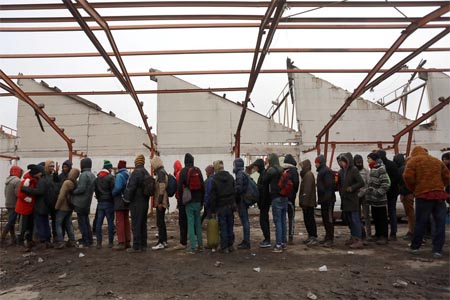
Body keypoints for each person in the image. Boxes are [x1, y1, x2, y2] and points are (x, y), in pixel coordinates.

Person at [404, 146, 450, 259]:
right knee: (440, 223)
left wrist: (414, 188)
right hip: (439, 195)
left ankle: (415, 247)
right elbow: (447, 176)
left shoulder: (413, 161)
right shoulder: (436, 161)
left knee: (421, 222)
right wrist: (440, 186)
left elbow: (407, 176)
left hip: (423, 195)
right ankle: (437, 250)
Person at [177, 153, 204, 254]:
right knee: (198, 223)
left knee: (190, 224)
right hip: (198, 201)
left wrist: (181, 200)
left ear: (185, 161)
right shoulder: (198, 170)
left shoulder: (183, 171)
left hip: (189, 202)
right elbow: (202, 186)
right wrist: (202, 202)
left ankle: (193, 247)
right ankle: (200, 245)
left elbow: (179, 187)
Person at [21, 162, 52, 249]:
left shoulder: (42, 181)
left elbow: (39, 191)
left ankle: (43, 241)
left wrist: (25, 189)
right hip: (46, 205)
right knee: (45, 223)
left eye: (35, 174)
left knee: (41, 223)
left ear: (40, 173)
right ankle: (47, 240)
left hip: (40, 206)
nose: (35, 176)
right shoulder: (47, 179)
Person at [124, 154, 150, 253]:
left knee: (136, 224)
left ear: (136, 163)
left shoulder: (136, 173)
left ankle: (136, 246)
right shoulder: (146, 172)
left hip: (136, 202)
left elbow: (131, 188)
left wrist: (126, 200)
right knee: (143, 223)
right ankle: (143, 245)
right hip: (145, 202)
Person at [338, 153, 365, 249]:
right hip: (345, 199)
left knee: (355, 219)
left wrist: (352, 188)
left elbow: (361, 182)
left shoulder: (353, 170)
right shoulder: (342, 171)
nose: (341, 163)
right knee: (349, 219)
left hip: (352, 199)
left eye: (342, 161)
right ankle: (353, 237)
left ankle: (358, 239)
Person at [210, 160, 235, 254]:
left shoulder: (214, 179)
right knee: (230, 225)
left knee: (223, 226)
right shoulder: (230, 177)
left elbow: (213, 196)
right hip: (230, 205)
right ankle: (230, 245)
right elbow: (234, 191)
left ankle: (224, 247)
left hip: (221, 206)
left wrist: (212, 210)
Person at [16, 164, 43, 251]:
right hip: (25, 207)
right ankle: (20, 241)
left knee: (29, 225)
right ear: (35, 173)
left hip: (29, 207)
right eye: (39, 173)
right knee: (23, 226)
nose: (41, 174)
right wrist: (29, 200)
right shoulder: (27, 181)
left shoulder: (34, 180)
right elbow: (20, 194)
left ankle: (28, 240)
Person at [366, 152, 390, 245]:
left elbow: (385, 184)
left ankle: (383, 236)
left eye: (369, 158)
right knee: (376, 217)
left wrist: (377, 193)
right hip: (373, 200)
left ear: (373, 159)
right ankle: (378, 234)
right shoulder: (372, 169)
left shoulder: (381, 168)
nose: (367, 160)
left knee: (382, 218)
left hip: (380, 199)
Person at [72, 157, 96, 248]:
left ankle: (85, 240)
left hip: (80, 202)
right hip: (87, 202)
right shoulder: (92, 175)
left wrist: (73, 191)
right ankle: (89, 239)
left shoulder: (83, 175)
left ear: (83, 165)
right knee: (86, 221)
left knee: (82, 222)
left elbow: (81, 189)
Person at [263, 153, 285, 253]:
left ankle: (278, 244)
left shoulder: (272, 170)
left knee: (278, 221)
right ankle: (283, 242)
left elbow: (264, 179)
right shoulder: (282, 169)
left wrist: (266, 166)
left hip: (276, 197)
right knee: (283, 220)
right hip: (284, 197)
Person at [377, 150, 401, 241]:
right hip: (390, 192)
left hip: (388, 193)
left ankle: (390, 233)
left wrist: (385, 187)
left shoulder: (385, 166)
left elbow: (396, 179)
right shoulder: (391, 165)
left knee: (388, 213)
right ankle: (391, 233)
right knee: (391, 213)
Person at [54, 168, 80, 249]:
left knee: (58, 224)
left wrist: (56, 206)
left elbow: (61, 196)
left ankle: (61, 241)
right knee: (68, 224)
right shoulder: (76, 183)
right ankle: (72, 240)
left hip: (63, 207)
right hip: (70, 207)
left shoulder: (67, 183)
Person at [314, 155, 336, 247]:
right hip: (324, 200)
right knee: (325, 219)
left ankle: (330, 239)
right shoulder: (322, 171)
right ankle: (327, 237)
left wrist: (326, 198)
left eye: (316, 162)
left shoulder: (326, 171)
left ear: (319, 162)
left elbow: (329, 186)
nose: (315, 164)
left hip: (328, 200)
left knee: (329, 219)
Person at [94, 160, 115, 249]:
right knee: (110, 223)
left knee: (99, 223)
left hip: (100, 203)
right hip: (109, 203)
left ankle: (99, 243)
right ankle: (110, 242)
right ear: (109, 168)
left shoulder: (97, 178)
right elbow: (113, 190)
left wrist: (99, 199)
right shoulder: (110, 177)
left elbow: (96, 191)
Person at [250, 158, 271, 248]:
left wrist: (261, 202)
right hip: (265, 202)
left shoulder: (263, 176)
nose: (255, 168)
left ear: (259, 166)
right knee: (264, 220)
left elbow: (263, 191)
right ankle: (267, 238)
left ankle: (267, 239)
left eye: (255, 166)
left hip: (264, 203)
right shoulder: (263, 174)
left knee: (263, 221)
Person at [394, 153, 415, 241]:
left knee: (410, 214)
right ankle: (411, 231)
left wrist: (403, 192)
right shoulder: (404, 168)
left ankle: (412, 231)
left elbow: (403, 183)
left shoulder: (402, 169)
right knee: (410, 214)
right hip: (407, 193)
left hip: (406, 194)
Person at [151, 156, 169, 250]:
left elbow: (161, 188)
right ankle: (164, 241)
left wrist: (160, 202)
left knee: (160, 222)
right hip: (163, 200)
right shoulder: (163, 171)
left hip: (161, 200)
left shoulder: (160, 173)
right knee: (161, 221)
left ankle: (161, 242)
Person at [1, 165, 23, 247]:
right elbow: (18, 193)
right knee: (11, 221)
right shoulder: (17, 181)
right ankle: (2, 238)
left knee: (11, 221)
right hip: (14, 204)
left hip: (8, 202)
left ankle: (13, 239)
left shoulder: (8, 180)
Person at [112, 160, 130, 250]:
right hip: (126, 200)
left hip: (119, 200)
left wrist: (113, 193)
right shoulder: (128, 175)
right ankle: (128, 240)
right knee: (126, 220)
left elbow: (118, 187)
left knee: (119, 221)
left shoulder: (119, 175)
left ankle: (121, 242)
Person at [298, 159, 317, 245]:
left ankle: (313, 237)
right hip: (307, 202)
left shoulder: (308, 175)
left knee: (310, 220)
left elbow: (307, 190)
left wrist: (304, 202)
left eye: (302, 166)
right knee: (307, 220)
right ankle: (311, 236)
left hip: (308, 203)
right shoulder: (306, 175)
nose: (301, 168)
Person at [282, 154, 300, 244]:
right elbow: (296, 184)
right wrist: (293, 193)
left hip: (282, 197)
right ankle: (290, 236)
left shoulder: (282, 170)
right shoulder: (294, 171)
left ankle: (282, 236)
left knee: (282, 218)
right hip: (291, 199)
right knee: (291, 218)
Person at [234, 157, 250, 249]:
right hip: (244, 200)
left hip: (242, 201)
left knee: (245, 221)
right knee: (245, 221)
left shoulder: (239, 174)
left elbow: (239, 189)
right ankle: (246, 240)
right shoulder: (244, 173)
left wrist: (235, 196)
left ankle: (246, 242)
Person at [354, 154, 370, 240]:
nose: (359, 164)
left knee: (366, 215)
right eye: (357, 162)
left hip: (364, 195)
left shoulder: (366, 171)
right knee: (357, 215)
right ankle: (360, 233)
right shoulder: (353, 171)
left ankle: (369, 234)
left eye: (360, 162)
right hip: (356, 196)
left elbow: (368, 184)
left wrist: (363, 192)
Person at [173, 159, 187, 250]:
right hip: (187, 200)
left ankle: (183, 241)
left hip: (181, 200)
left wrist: (178, 198)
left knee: (182, 221)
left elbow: (179, 188)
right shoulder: (184, 172)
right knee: (186, 220)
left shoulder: (178, 174)